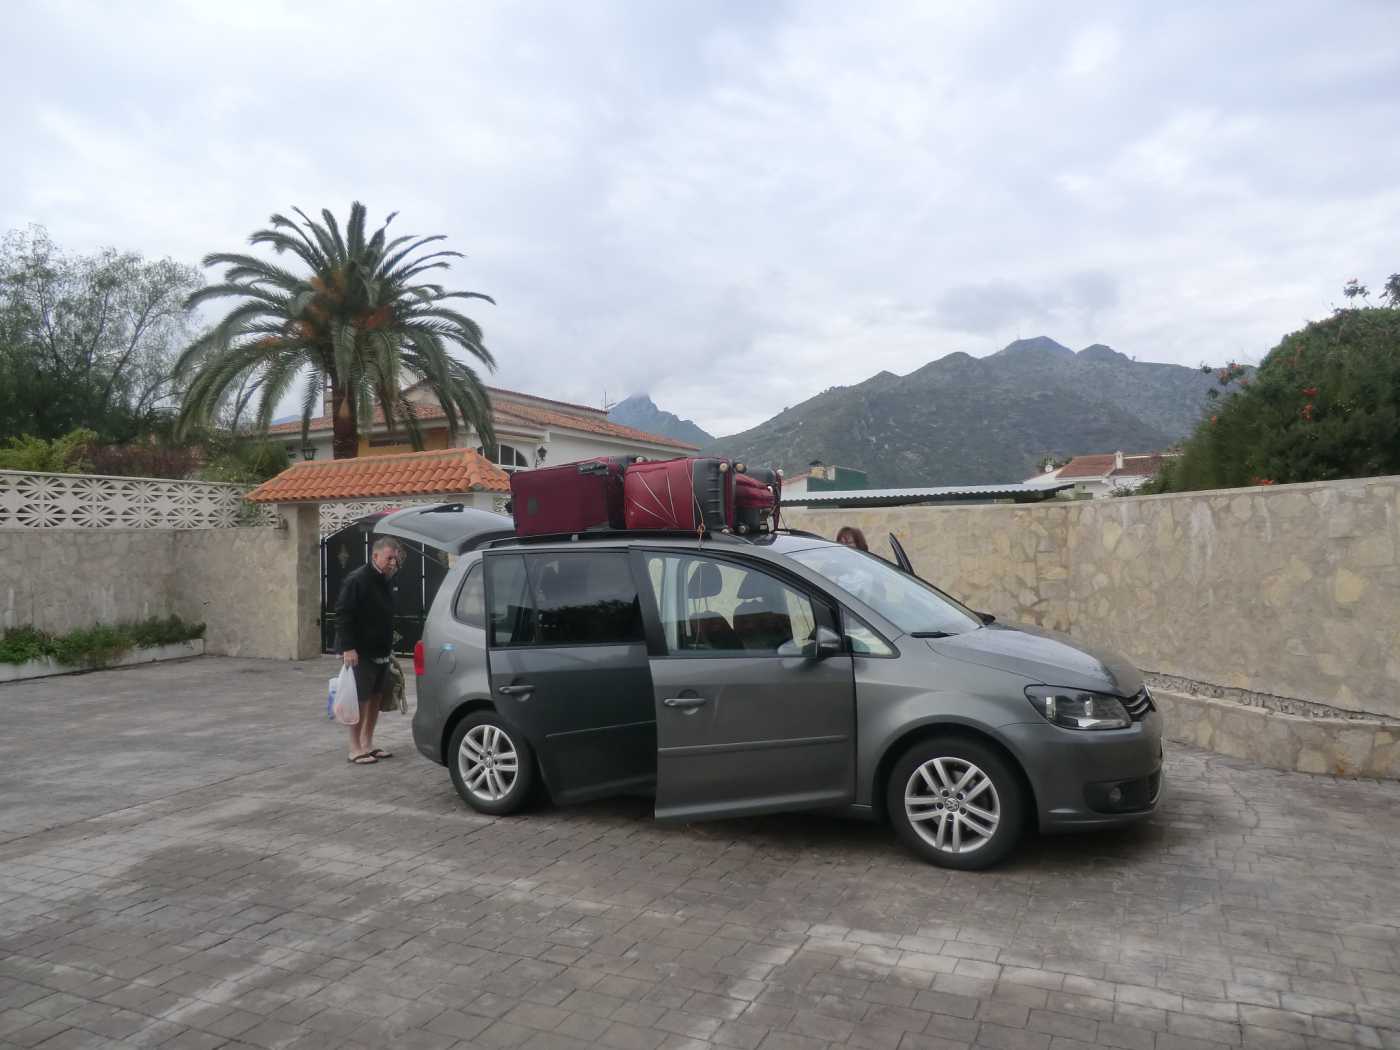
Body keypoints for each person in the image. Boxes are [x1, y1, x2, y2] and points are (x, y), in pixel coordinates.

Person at [335, 536, 402, 765]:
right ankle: (354, 748)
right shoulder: (357, 580)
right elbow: (343, 614)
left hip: (381, 650)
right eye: (389, 558)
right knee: (360, 700)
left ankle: (367, 743)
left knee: (375, 698)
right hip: (360, 652)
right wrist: (348, 648)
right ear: (375, 556)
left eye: (395, 559)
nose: (393, 563)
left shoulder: (388, 579)